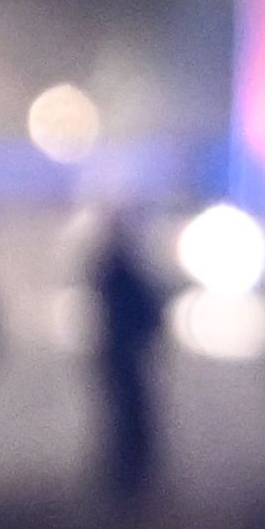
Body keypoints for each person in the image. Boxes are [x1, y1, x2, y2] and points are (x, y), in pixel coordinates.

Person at [86, 214, 162, 511]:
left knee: (123, 420)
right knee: (129, 421)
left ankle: (124, 482)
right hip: (125, 357)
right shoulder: (122, 275)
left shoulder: (110, 274)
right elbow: (145, 313)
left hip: (119, 356)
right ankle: (128, 484)